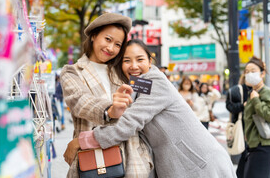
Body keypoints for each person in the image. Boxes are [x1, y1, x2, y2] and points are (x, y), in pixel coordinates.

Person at [64, 39, 236, 178]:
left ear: (149, 61)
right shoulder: (138, 85)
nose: (134, 66)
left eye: (140, 59)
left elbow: (128, 124)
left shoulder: (155, 81)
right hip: (183, 166)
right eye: (126, 60)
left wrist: (81, 141)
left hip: (200, 165)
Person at [60, 14, 152, 177]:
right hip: (95, 163)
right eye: (108, 39)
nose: (111, 48)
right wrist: (109, 110)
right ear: (94, 35)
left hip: (133, 161)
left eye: (118, 44)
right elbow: (80, 101)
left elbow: (153, 93)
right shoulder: (72, 72)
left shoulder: (123, 71)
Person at [237, 56, 270, 178]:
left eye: (253, 71)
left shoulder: (264, 91)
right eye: (246, 71)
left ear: (262, 74)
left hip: (265, 144)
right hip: (255, 144)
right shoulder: (253, 92)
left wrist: (256, 100)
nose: (249, 74)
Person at [225, 73, 250, 169]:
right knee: (244, 153)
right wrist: (242, 106)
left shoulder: (258, 90)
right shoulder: (236, 90)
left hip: (254, 127)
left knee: (247, 155)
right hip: (241, 125)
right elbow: (229, 106)